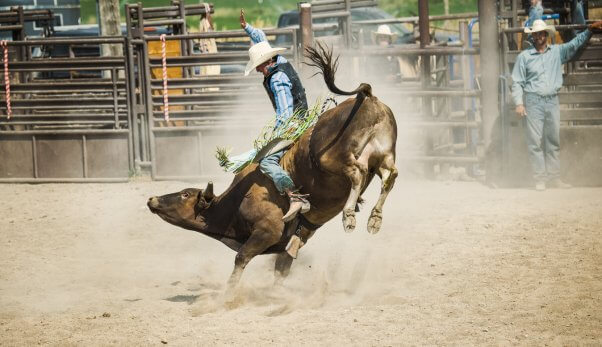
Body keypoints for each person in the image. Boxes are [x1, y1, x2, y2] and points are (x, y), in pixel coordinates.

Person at [511, 19, 602, 191]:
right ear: (533, 36)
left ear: (546, 35)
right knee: (535, 141)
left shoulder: (557, 52)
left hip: (551, 100)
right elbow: (517, 82)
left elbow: (575, 44)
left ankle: (553, 178)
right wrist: (519, 103)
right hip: (533, 100)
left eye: (542, 33)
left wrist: (589, 30)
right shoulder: (524, 57)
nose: (539, 36)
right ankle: (540, 178)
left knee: (552, 140)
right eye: (536, 34)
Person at [240, 9, 310, 222]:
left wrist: (275, 136)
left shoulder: (277, 79)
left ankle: (294, 196)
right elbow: (261, 39)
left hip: (293, 124)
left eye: (259, 67)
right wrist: (248, 29)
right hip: (303, 117)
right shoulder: (278, 60)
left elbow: (285, 113)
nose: (259, 71)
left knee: (267, 162)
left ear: (266, 63)